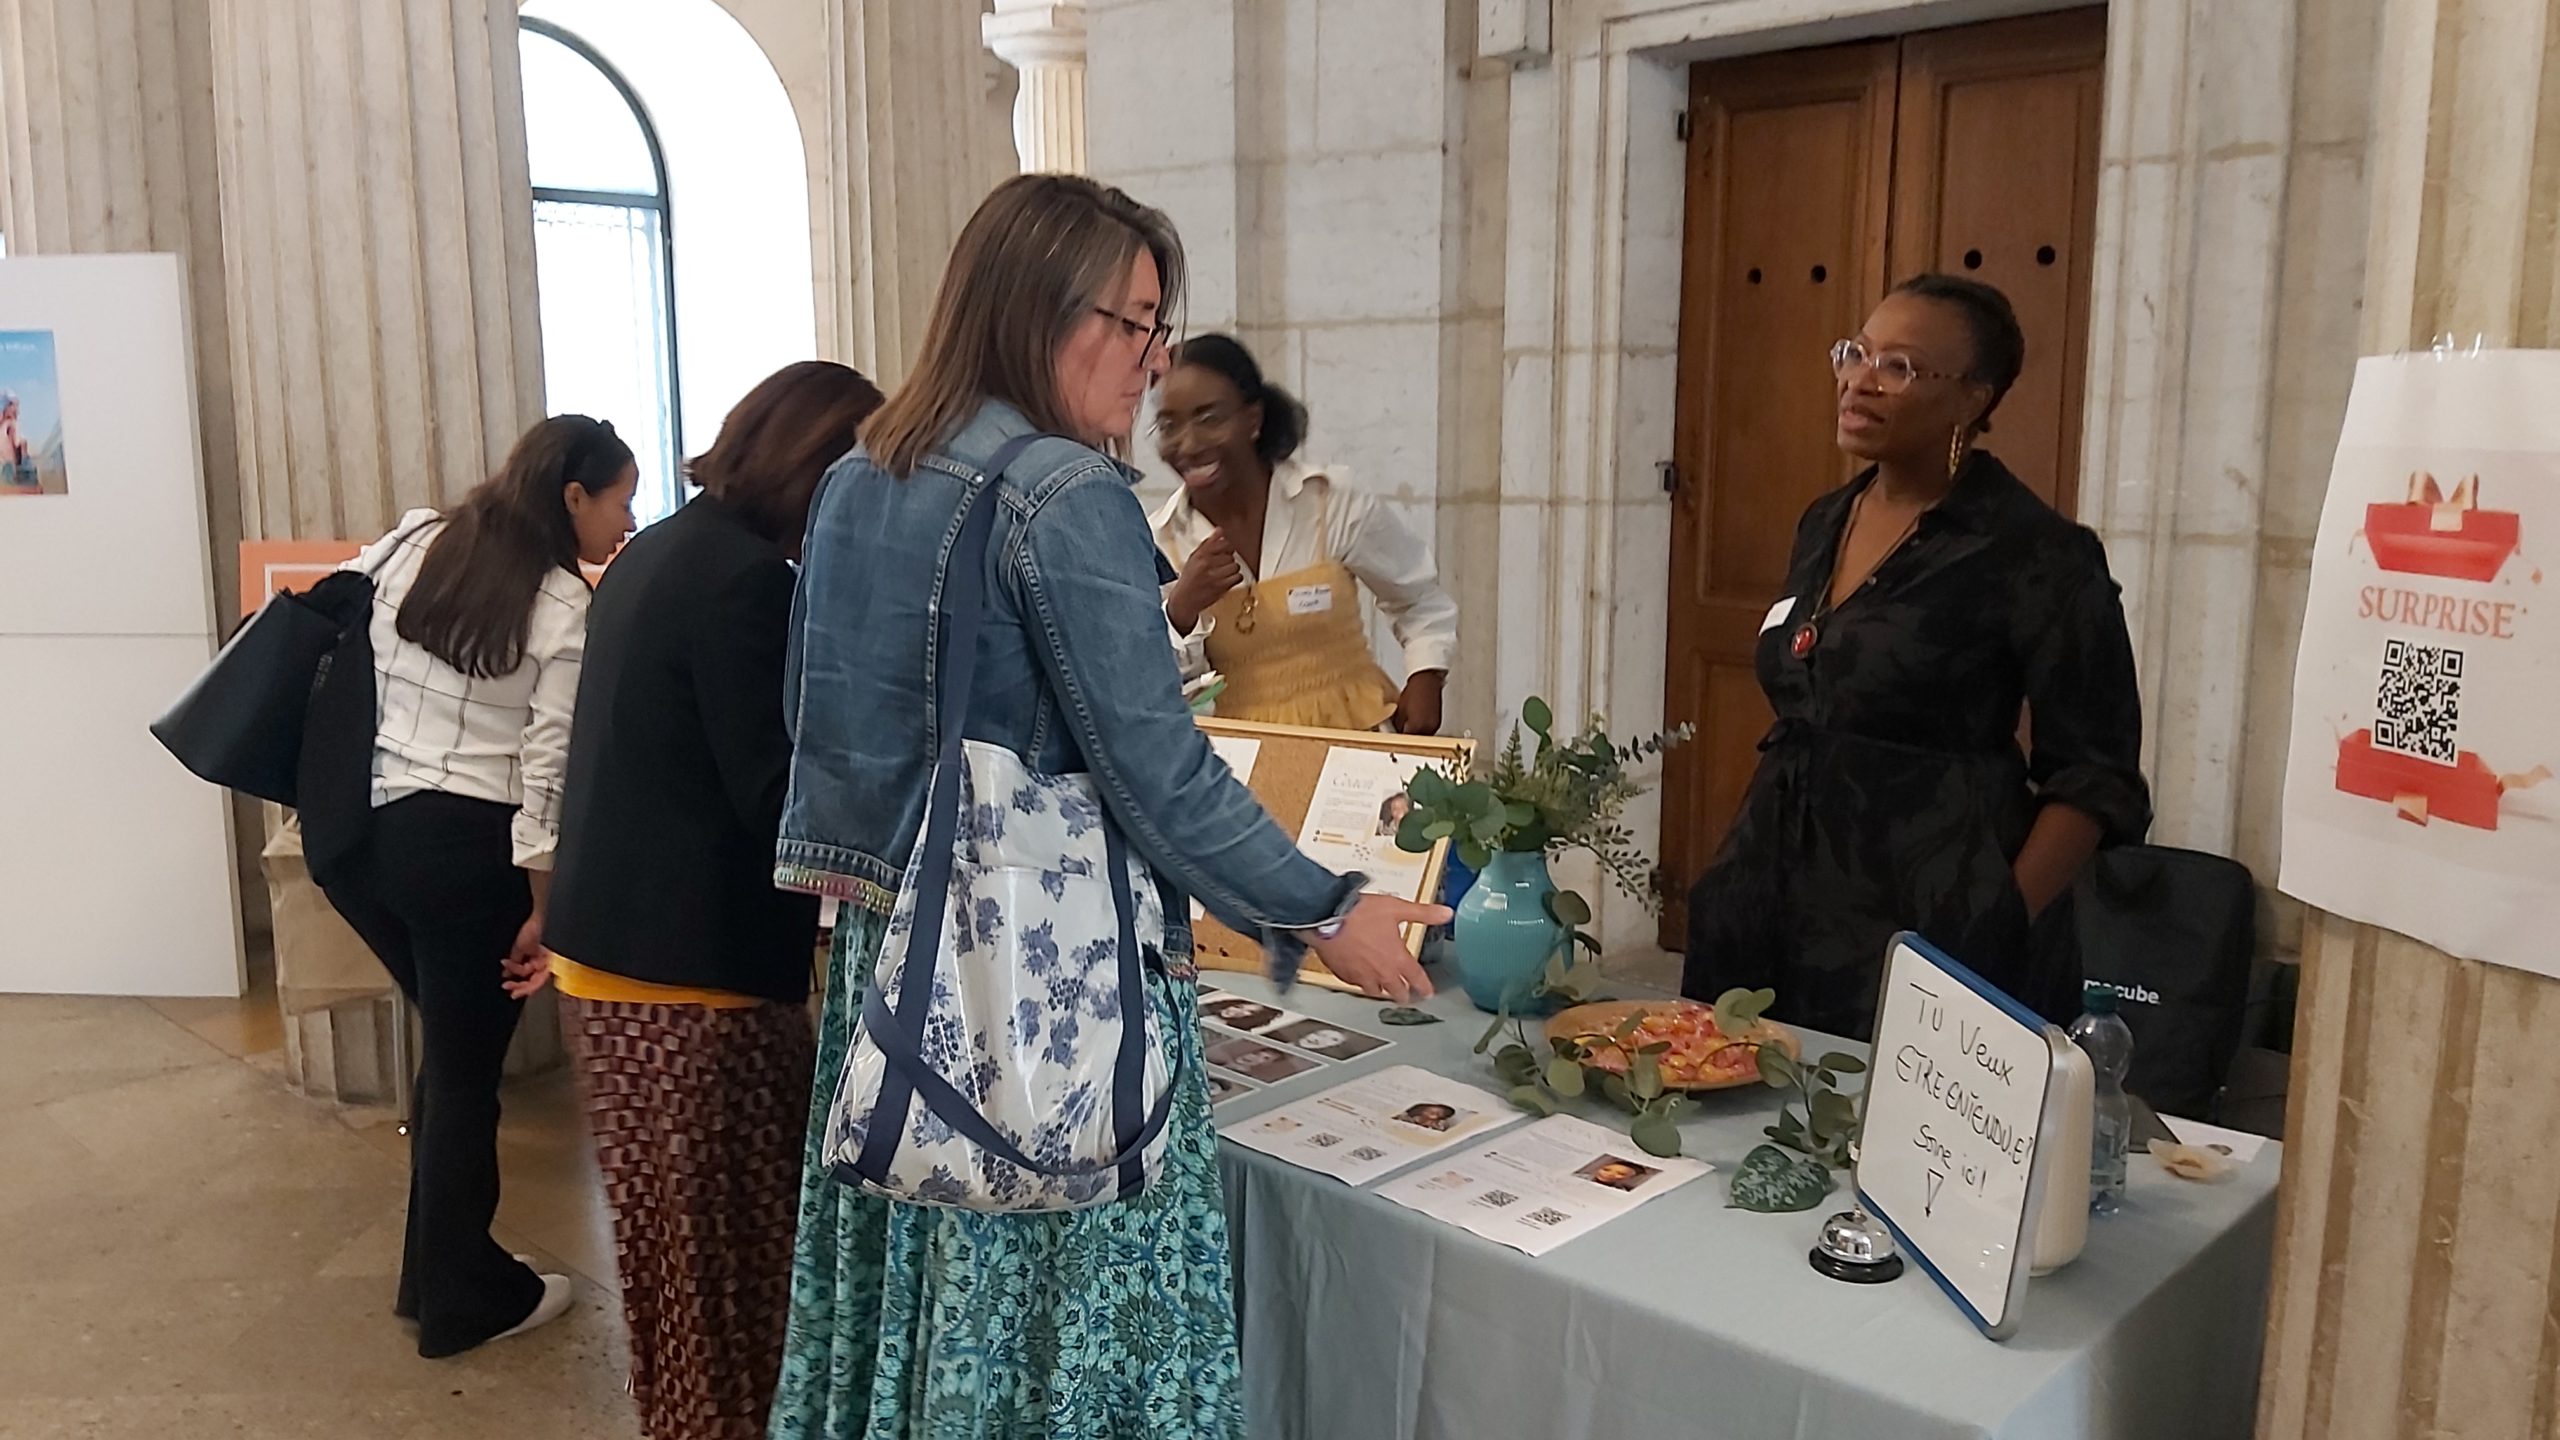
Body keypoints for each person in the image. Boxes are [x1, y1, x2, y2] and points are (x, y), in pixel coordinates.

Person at [764, 172, 1447, 1440]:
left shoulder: (865, 472)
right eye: (1133, 324)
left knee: (922, 1281)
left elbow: (820, 723)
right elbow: (1158, 773)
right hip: (1041, 960)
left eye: (1159, 326)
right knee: (1071, 1306)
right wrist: (1324, 907)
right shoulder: (1066, 494)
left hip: (900, 954)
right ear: (1039, 311)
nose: (1152, 361)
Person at [519, 364, 881, 1438]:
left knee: (676, 1277)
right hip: (690, 989)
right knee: (729, 1280)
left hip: (623, 969)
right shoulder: (743, 581)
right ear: (816, 466)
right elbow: (774, 793)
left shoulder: (662, 550)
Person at [1682, 276, 2149, 1039]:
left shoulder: (2037, 554)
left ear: (1971, 399)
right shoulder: (1825, 519)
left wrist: (1996, 920)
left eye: (1898, 367)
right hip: (1772, 889)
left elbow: (2096, 778)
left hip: (1929, 916)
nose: (1859, 381)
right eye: (1856, 353)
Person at [317, 415, 636, 1358]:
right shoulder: (561, 608)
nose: (629, 518)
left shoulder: (416, 537)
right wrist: (545, 906)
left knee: (449, 1052)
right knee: (464, 1073)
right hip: (467, 857)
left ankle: (430, 1272)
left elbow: (340, 614)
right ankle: (462, 1297)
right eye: (619, 498)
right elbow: (545, 774)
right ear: (572, 497)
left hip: (362, 835)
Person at [1151, 333, 1458, 734]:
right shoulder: (1160, 541)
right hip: (1239, 769)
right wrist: (1180, 611)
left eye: (1209, 418)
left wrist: (1427, 675)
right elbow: (1159, 690)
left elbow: (1419, 602)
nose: (1187, 444)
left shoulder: (1328, 502)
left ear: (1253, 420)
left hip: (1355, 750)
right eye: (1169, 426)